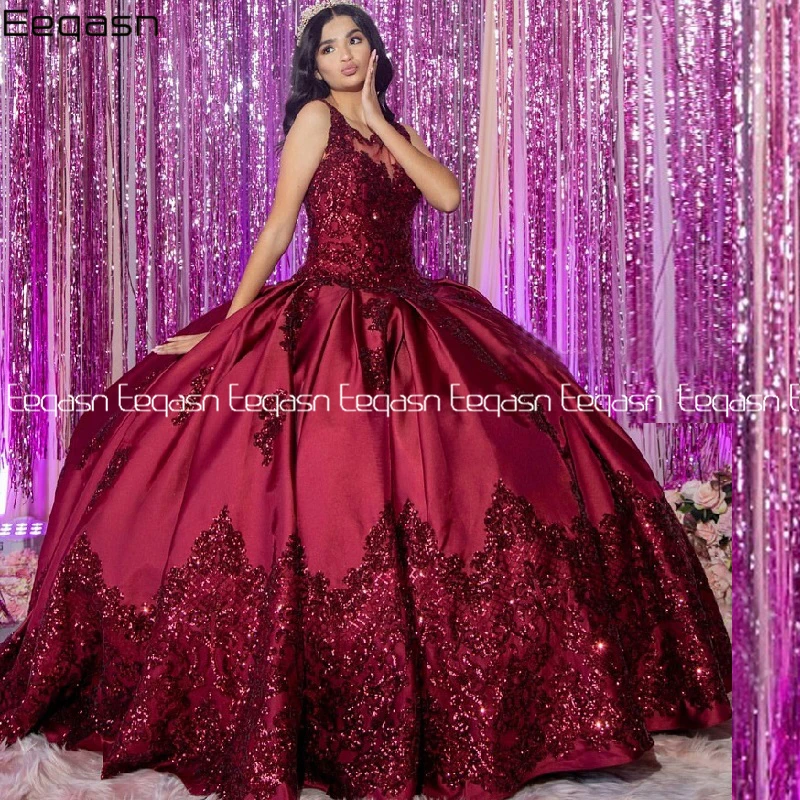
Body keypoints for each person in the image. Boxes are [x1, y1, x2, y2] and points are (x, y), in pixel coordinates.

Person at [0, 3, 732, 799]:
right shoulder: (314, 120)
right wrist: (229, 327)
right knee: (330, 486)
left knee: (502, 462)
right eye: (330, 47)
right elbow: (279, 228)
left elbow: (446, 197)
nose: (345, 54)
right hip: (331, 314)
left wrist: (381, 120)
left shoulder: (392, 127)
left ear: (373, 52)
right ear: (314, 65)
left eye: (356, 41)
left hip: (416, 309)